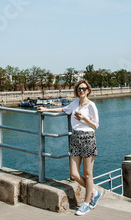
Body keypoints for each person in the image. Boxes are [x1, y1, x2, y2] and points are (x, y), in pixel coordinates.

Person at [37, 79, 101, 216]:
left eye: (84, 88)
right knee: (74, 174)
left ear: (88, 90)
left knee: (88, 174)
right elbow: (63, 109)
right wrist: (46, 109)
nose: (81, 91)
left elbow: (96, 125)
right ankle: (95, 192)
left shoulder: (91, 105)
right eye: (79, 89)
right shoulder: (74, 103)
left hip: (88, 138)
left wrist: (84, 118)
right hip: (75, 138)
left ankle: (86, 203)